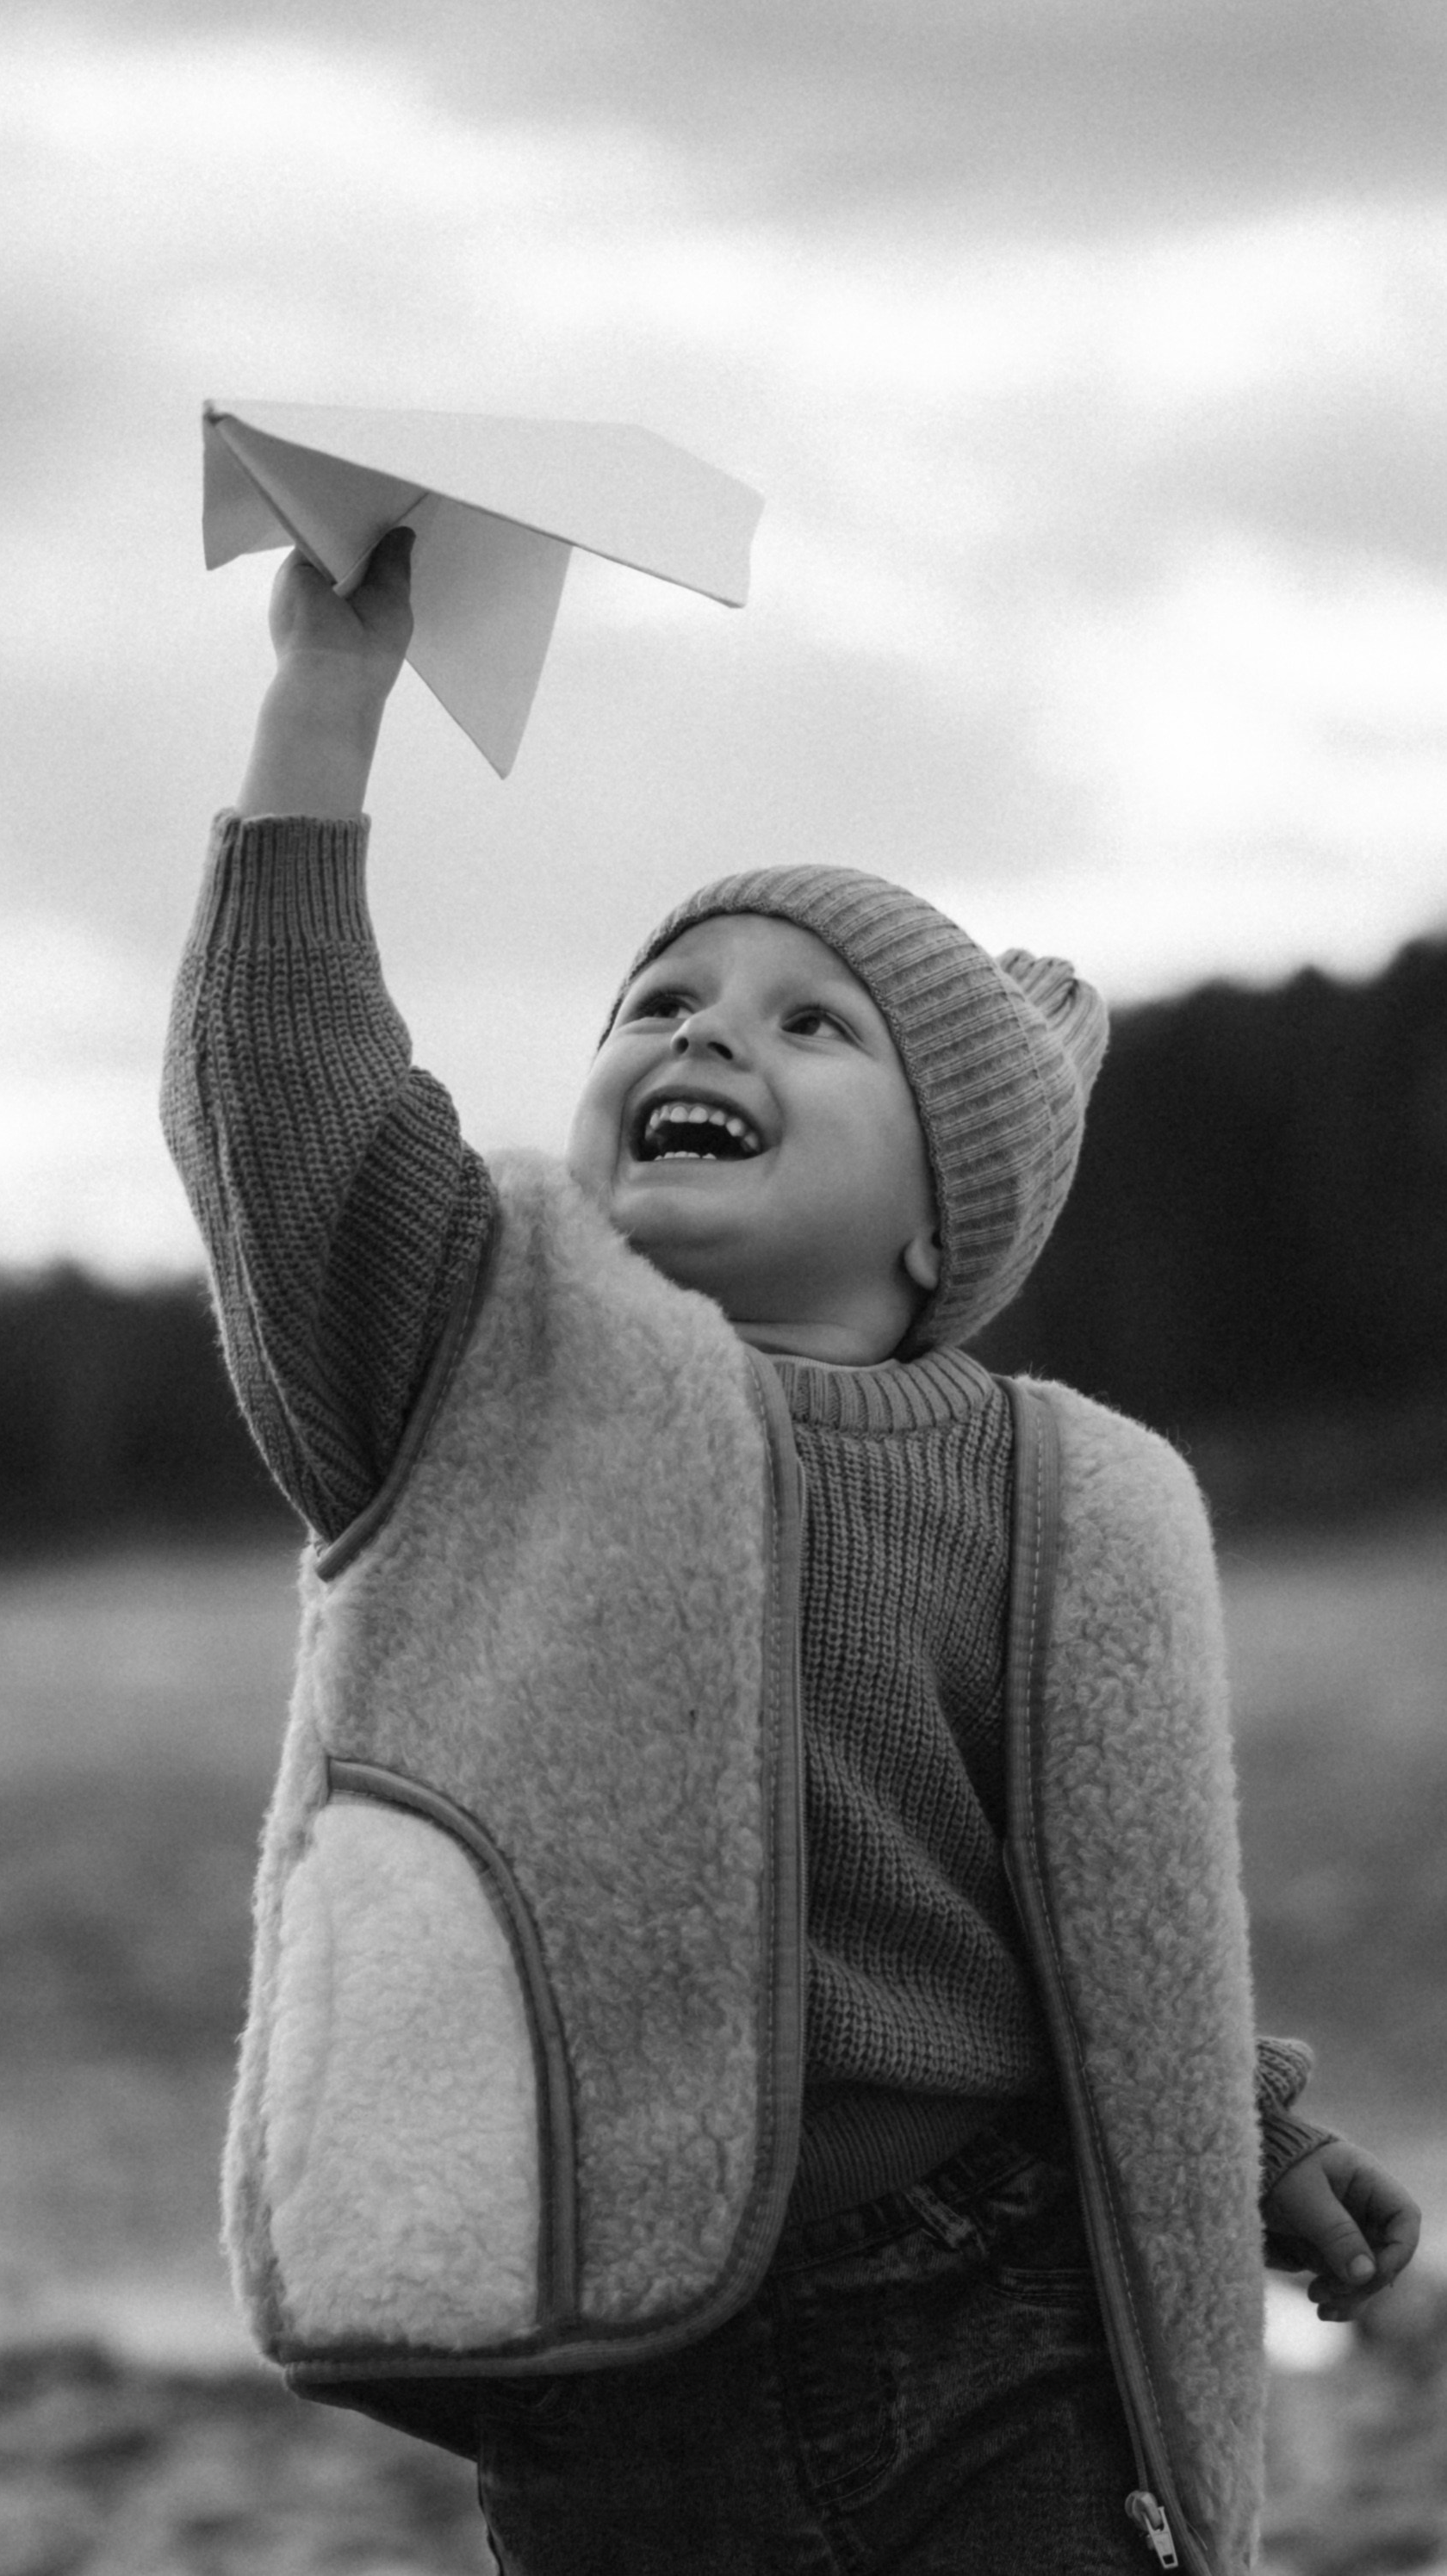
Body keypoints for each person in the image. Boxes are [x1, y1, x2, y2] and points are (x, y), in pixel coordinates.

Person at [164, 528, 1420, 2576]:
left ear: (949, 1222)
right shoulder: (471, 1371)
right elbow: (281, 1102)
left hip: (996, 2319)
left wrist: (1250, 2132)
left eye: (812, 1024)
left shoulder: (1053, 1483)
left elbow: (1107, 1904)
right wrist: (325, 695)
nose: (702, 1035)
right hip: (612, 2334)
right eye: (655, 998)